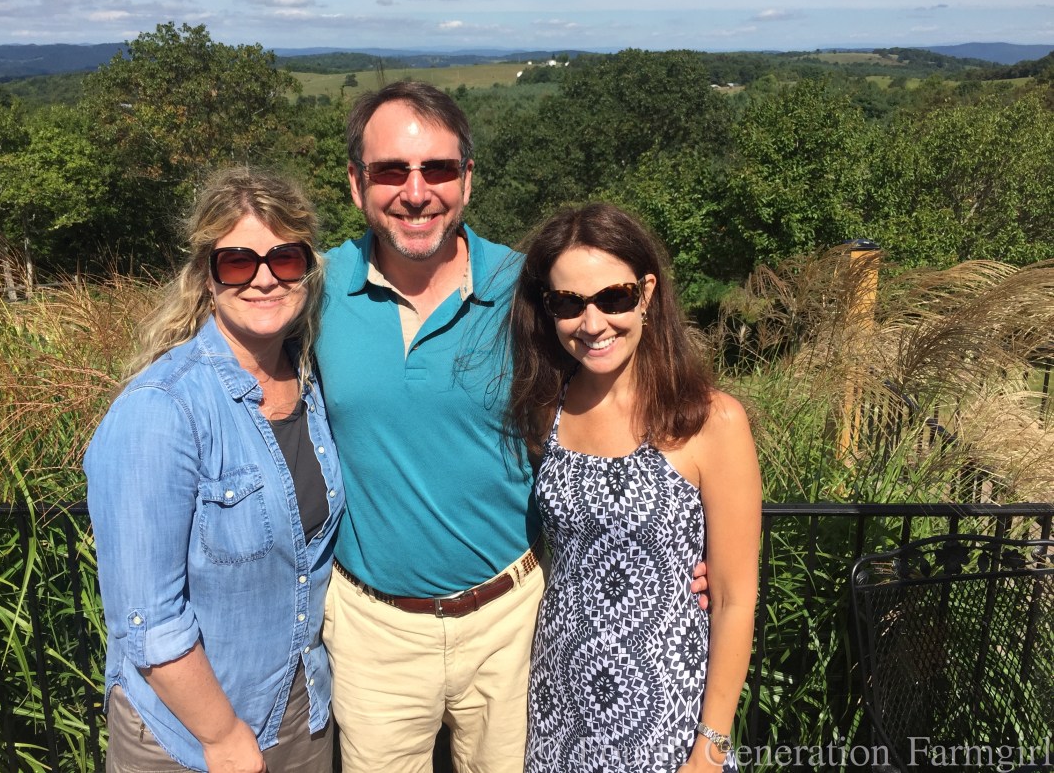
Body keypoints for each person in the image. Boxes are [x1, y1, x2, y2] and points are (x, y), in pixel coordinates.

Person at [315, 82, 708, 772]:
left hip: (511, 621)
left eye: (438, 169)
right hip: (373, 629)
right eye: (391, 171)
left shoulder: (527, 290)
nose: (416, 192)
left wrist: (677, 551)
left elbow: (623, 381)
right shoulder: (314, 288)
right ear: (356, 183)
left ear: (467, 179)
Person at [85, 167, 345, 773]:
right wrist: (223, 736)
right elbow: (147, 617)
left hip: (300, 709)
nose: (264, 278)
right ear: (208, 275)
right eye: (237, 262)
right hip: (190, 734)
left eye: (285, 258)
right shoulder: (163, 408)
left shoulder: (310, 383)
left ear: (307, 269)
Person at [507, 202, 761, 773]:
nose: (593, 322)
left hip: (666, 712)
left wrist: (711, 748)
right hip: (558, 702)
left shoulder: (710, 421)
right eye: (568, 303)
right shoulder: (545, 409)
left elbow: (734, 599)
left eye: (613, 298)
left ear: (647, 293)